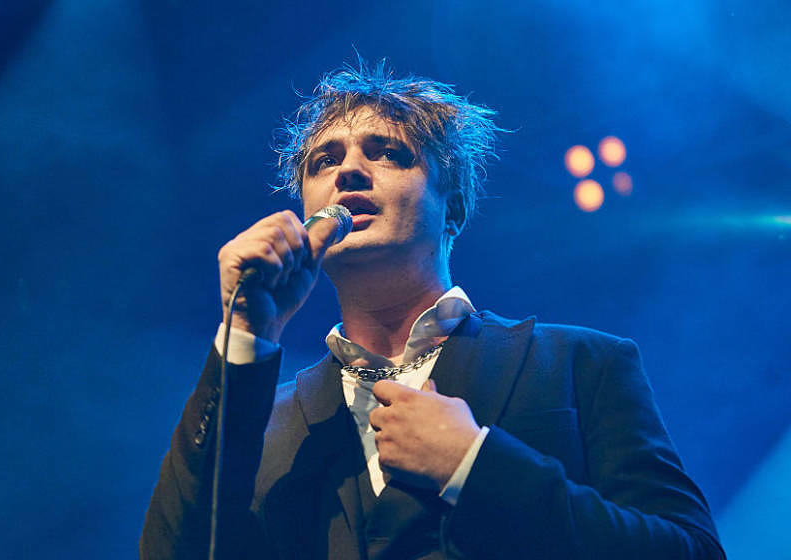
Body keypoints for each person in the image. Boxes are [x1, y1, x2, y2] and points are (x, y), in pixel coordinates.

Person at [140, 63, 724, 559]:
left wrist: (475, 464)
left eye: (388, 153)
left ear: (454, 207)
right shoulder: (264, 420)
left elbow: (691, 551)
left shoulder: (581, 363)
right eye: (323, 161)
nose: (347, 171)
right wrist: (247, 334)